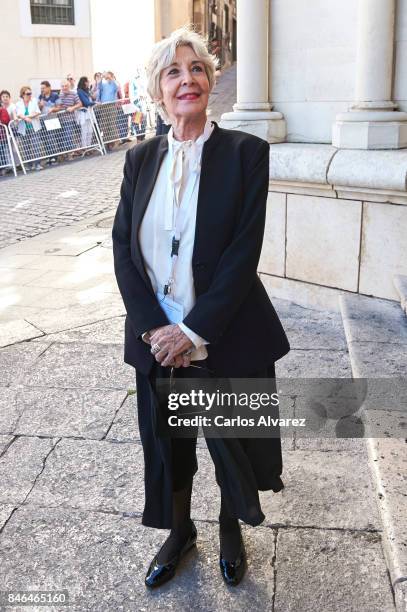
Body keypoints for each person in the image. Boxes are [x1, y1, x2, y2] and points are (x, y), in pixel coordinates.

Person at [112, 26, 290, 589]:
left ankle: (229, 526)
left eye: (196, 69)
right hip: (156, 339)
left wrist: (191, 330)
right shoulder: (139, 159)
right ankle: (181, 529)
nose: (186, 79)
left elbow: (244, 254)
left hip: (225, 331)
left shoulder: (246, 154)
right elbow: (122, 250)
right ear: (157, 91)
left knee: (231, 442)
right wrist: (155, 331)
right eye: (173, 71)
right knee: (169, 444)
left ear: (211, 82)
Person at [48, 79, 82, 157]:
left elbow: (80, 104)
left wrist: (73, 107)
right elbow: (56, 106)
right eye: (62, 86)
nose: (64, 88)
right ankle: (65, 154)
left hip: (69, 120)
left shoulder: (74, 94)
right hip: (58, 120)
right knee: (59, 139)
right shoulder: (59, 95)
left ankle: (71, 153)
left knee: (68, 137)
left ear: (69, 86)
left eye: (66, 86)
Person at [14, 86, 43, 171]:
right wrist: (26, 118)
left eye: (30, 93)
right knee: (26, 147)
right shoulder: (18, 104)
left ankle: (37, 164)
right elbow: (19, 114)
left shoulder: (34, 101)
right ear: (23, 95)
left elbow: (37, 112)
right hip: (24, 129)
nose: (30, 95)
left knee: (36, 146)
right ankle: (29, 165)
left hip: (34, 127)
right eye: (28, 94)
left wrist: (27, 116)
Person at [38, 80, 59, 165]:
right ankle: (49, 156)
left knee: (52, 138)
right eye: (41, 88)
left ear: (49, 87)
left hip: (52, 119)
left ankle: (54, 157)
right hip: (43, 120)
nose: (42, 90)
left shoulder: (55, 95)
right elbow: (38, 109)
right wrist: (40, 105)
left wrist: (53, 109)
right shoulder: (40, 96)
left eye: (44, 88)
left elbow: (59, 107)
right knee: (45, 139)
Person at [76, 76, 97, 151]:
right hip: (84, 113)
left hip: (89, 112)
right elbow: (86, 102)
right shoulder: (80, 91)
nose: (89, 83)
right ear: (85, 82)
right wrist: (95, 103)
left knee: (90, 130)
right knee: (84, 131)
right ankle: (85, 148)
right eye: (88, 81)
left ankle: (89, 146)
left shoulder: (87, 90)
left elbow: (91, 99)